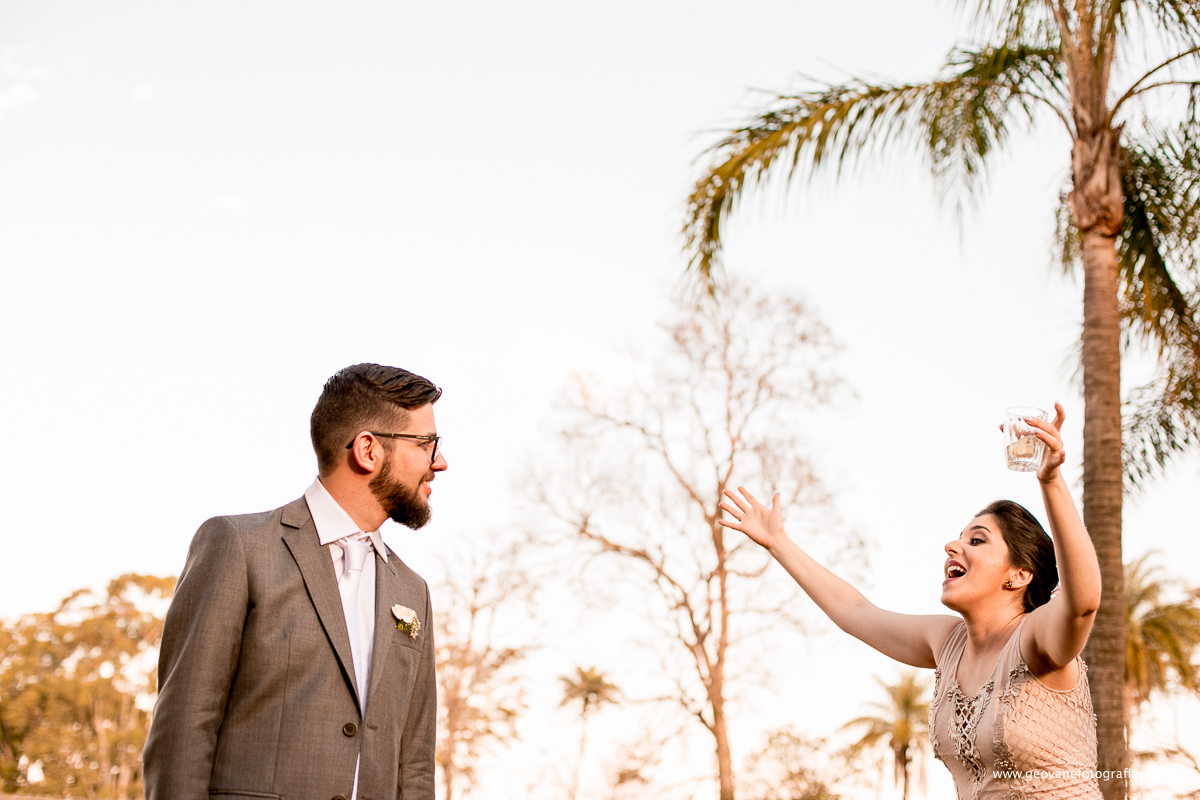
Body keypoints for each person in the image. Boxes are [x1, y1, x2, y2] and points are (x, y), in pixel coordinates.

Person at [718, 403, 1103, 799]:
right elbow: (856, 613)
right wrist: (778, 543)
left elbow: (1084, 601)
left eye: (976, 540)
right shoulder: (948, 641)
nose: (952, 545)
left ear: (1018, 575)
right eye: (959, 537)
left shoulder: (1036, 639)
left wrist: (1051, 480)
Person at [143, 363, 448, 800]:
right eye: (426, 443)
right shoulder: (238, 547)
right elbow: (183, 730)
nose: (439, 461)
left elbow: (415, 761)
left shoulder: (412, 591)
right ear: (367, 450)